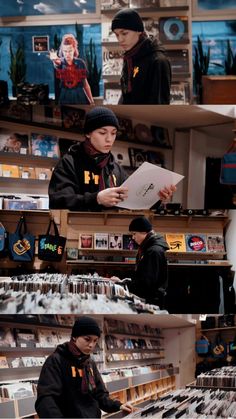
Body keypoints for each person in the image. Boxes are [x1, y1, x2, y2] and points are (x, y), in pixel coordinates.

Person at [49, 106, 176, 210]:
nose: (109, 139)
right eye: (102, 133)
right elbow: (58, 201)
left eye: (113, 133)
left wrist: (157, 198)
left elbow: (133, 200)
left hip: (112, 232)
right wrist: (97, 198)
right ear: (88, 133)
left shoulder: (115, 168)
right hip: (79, 232)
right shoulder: (69, 162)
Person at [35, 316, 135, 418]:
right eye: (87, 339)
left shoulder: (89, 363)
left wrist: (118, 405)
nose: (91, 345)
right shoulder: (56, 361)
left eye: (95, 340)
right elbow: (46, 400)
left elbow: (100, 395)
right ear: (75, 337)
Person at [111, 9, 171, 104]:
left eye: (124, 33)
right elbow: (127, 96)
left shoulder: (158, 61)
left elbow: (159, 105)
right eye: (117, 35)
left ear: (139, 31)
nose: (120, 40)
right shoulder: (130, 57)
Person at [128, 216, 169, 309]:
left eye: (134, 234)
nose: (133, 237)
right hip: (151, 299)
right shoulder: (148, 248)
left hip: (152, 302)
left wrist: (124, 284)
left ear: (144, 232)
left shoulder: (153, 251)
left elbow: (147, 284)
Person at [49, 33, 94, 105]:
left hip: (80, 95)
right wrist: (54, 61)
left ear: (74, 50)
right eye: (65, 51)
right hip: (65, 96)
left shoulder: (80, 63)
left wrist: (91, 101)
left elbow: (85, 84)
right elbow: (57, 64)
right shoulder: (61, 62)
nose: (67, 54)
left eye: (70, 51)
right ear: (62, 51)